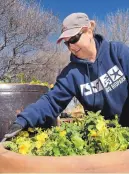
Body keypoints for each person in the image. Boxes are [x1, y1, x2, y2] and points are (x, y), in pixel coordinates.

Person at [4, 12, 129, 140]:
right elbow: (51, 101)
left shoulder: (118, 52)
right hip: (104, 139)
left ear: (89, 31)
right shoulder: (71, 74)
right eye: (67, 43)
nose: (71, 47)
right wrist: (23, 120)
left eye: (74, 39)